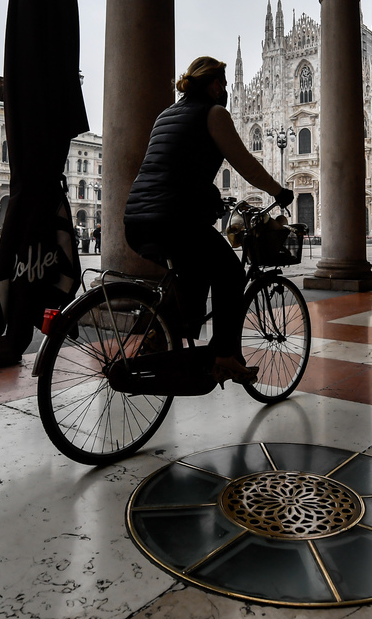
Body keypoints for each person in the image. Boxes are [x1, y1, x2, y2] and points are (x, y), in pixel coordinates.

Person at [125, 57, 293, 385]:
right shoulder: (214, 113)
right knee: (230, 272)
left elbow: (174, 168)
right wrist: (278, 191)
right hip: (174, 219)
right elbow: (246, 164)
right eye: (225, 84)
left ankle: (162, 339)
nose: (227, 90)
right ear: (215, 85)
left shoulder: (166, 114)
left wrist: (210, 199)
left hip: (137, 218)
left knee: (193, 274)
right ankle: (224, 357)